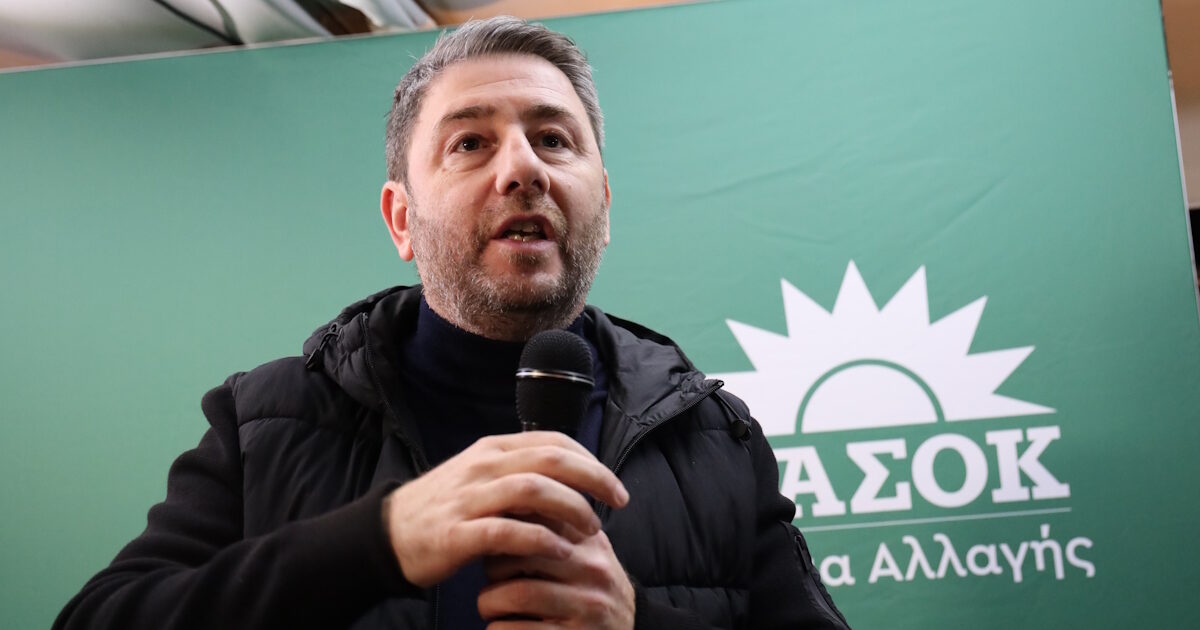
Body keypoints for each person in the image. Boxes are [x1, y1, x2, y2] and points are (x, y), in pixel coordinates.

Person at [54, 16, 850, 630]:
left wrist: (638, 624)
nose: (523, 168)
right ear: (402, 220)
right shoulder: (265, 421)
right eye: (470, 142)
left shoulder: (712, 435)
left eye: (552, 139)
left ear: (603, 207)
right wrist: (381, 541)